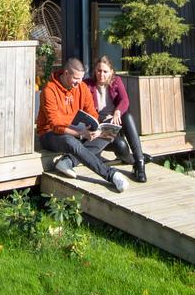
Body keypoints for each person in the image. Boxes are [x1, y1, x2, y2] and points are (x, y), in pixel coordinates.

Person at [37, 57, 128, 193]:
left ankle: (68, 161)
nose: (79, 82)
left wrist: (96, 128)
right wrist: (80, 134)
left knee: (107, 132)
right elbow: (55, 124)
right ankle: (111, 175)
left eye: (81, 78)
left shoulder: (82, 87)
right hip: (50, 134)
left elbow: (91, 112)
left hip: (79, 131)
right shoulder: (49, 90)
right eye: (75, 78)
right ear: (66, 73)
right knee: (70, 141)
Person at [88, 55, 147, 183]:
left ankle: (140, 164)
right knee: (121, 146)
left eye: (105, 71)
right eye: (99, 71)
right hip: (99, 128)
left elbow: (125, 100)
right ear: (94, 71)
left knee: (128, 116)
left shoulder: (116, 81)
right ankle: (136, 159)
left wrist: (117, 111)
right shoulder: (88, 85)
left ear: (111, 72)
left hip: (115, 124)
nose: (101, 74)